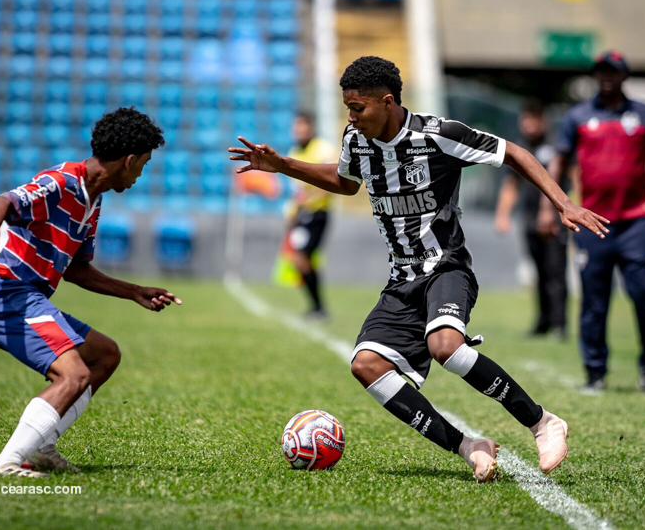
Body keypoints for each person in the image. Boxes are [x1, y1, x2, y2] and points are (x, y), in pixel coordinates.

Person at [230, 56, 609, 482]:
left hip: (446, 266)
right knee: (366, 364)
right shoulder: (356, 140)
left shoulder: (439, 135)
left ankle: (541, 422)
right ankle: (468, 446)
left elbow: (513, 153)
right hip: (402, 278)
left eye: (358, 108)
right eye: (347, 109)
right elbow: (345, 181)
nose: (351, 117)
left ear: (387, 102)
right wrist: (284, 165)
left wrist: (563, 203)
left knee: (445, 346)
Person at [0, 107, 182, 478]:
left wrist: (134, 291)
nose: (141, 174)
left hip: (24, 297)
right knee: (74, 375)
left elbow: (77, 270)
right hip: (1, 292)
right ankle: (6, 465)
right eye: (143, 164)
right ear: (128, 160)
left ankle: (44, 448)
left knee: (104, 355)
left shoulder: (92, 202)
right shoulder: (61, 181)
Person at [548, 51, 645, 393]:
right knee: (594, 301)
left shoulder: (643, 113)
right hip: (592, 223)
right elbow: (559, 162)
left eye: (613, 71)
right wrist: (552, 207)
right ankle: (595, 374)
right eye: (601, 71)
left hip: (636, 222)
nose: (606, 76)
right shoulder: (578, 115)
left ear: (624, 76)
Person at [494, 101, 568, 339]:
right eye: (526, 119)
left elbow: (576, 177)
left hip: (555, 221)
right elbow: (511, 184)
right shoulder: (519, 147)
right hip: (529, 220)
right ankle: (543, 321)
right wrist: (503, 215)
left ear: (542, 121)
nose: (529, 124)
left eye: (534, 119)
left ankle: (560, 324)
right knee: (539, 273)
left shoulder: (556, 146)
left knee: (556, 272)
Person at [284, 113, 338, 319]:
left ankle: (319, 308)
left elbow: (332, 180)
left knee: (303, 258)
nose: (300, 131)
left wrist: (310, 198)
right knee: (300, 260)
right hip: (301, 214)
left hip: (318, 213)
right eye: (297, 128)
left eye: (303, 127)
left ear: (311, 128)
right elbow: (295, 191)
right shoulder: (294, 151)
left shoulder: (323, 149)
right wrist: (291, 212)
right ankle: (317, 307)